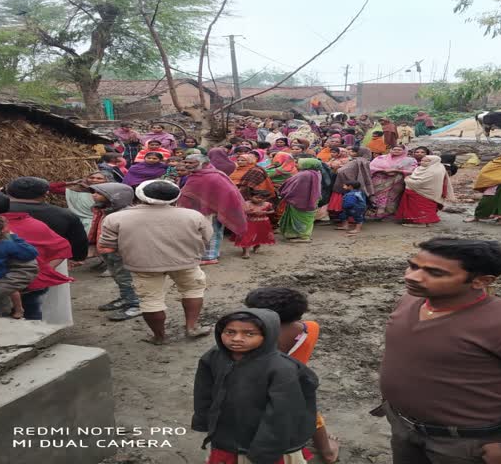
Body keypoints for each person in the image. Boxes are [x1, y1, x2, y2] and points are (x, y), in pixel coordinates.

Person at [377, 238, 501, 464]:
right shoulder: (410, 301)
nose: (411, 276)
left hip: (466, 445)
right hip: (403, 427)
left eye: (435, 273)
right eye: (413, 266)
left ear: (481, 281)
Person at [192, 308, 319, 464]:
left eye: (250, 334)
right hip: (228, 432)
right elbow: (203, 391)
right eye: (230, 332)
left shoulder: (281, 368)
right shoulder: (214, 356)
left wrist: (265, 451)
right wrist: (204, 420)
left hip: (264, 442)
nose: (237, 338)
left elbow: (282, 414)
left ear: (267, 336)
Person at [99, 180, 213, 344]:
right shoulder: (193, 215)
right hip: (186, 263)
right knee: (193, 291)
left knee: (150, 301)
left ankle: (159, 337)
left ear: (139, 194)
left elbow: (107, 247)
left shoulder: (115, 218)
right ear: (175, 196)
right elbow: (207, 238)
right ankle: (192, 328)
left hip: (143, 266)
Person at [244, 287, 339, 464]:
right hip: (295, 383)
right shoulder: (311, 328)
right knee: (310, 414)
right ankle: (327, 451)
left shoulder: (258, 342)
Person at [0, 191, 73, 321]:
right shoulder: (33, 223)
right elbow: (63, 247)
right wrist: (42, 271)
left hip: (0, 286)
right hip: (30, 283)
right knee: (32, 313)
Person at [179, 154, 248, 265]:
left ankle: (210, 257)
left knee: (212, 233)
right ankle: (202, 254)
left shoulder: (214, 176)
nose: (187, 165)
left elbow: (229, 193)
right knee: (199, 233)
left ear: (204, 163)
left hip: (212, 212)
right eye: (186, 162)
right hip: (197, 211)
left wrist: (218, 206)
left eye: (191, 163)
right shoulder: (195, 174)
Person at [88, 183, 141, 321]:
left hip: (120, 252)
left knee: (126, 278)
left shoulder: (126, 214)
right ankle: (126, 298)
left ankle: (135, 304)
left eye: (98, 193)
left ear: (115, 197)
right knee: (118, 276)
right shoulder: (103, 210)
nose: (93, 195)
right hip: (107, 250)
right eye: (93, 192)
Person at [7, 177, 89, 263]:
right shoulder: (65, 215)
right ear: (46, 193)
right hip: (52, 261)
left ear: (9, 192)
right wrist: (76, 258)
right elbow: (79, 243)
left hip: (1, 262)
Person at [395, 156, 454, 225]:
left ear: (434, 162)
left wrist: (407, 179)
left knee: (423, 208)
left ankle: (422, 223)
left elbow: (420, 182)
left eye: (426, 161)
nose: (423, 162)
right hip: (417, 191)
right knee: (415, 208)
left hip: (426, 193)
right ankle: (421, 222)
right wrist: (410, 179)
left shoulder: (435, 171)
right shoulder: (420, 168)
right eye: (422, 160)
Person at [367, 145, 418, 220]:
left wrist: (397, 171)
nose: (396, 151)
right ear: (391, 150)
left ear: (404, 151)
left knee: (392, 198)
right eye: (394, 149)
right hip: (379, 181)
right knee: (378, 196)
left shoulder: (410, 160)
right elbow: (370, 167)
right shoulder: (380, 158)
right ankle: (375, 213)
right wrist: (382, 170)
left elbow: (413, 171)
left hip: (397, 182)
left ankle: (388, 213)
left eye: (399, 150)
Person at [278, 158, 322, 243]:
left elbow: (293, 186)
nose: (297, 165)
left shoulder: (304, 174)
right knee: (306, 219)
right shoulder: (316, 173)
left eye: (299, 163)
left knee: (299, 219)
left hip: (300, 200)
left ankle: (303, 237)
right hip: (311, 200)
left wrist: (284, 192)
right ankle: (301, 235)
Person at [327, 147, 374, 218]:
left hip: (349, 184)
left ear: (359, 153)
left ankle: (348, 220)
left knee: (348, 203)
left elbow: (342, 171)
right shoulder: (365, 161)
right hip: (357, 184)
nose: (350, 152)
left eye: (353, 151)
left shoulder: (356, 161)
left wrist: (337, 169)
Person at [234, 190, 276, 259]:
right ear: (251, 197)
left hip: (263, 223)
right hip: (249, 222)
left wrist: (265, 212)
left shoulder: (267, 204)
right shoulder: (246, 203)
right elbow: (241, 212)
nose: (259, 199)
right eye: (257, 197)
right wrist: (251, 213)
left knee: (259, 236)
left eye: (262, 198)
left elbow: (272, 211)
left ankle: (256, 247)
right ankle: (246, 252)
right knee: (246, 237)